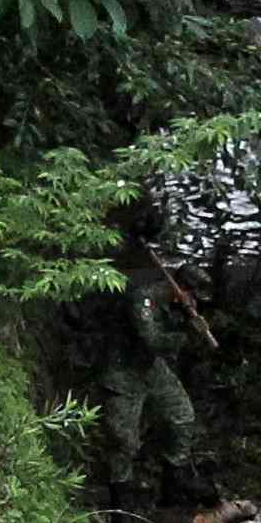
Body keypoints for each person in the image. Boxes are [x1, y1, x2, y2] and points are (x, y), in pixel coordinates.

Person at [83, 209, 203, 507]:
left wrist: (189, 321)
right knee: (124, 441)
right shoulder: (144, 298)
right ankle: (119, 502)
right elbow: (151, 339)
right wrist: (187, 337)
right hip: (122, 371)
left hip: (150, 368)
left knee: (182, 417)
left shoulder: (173, 300)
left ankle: (173, 482)